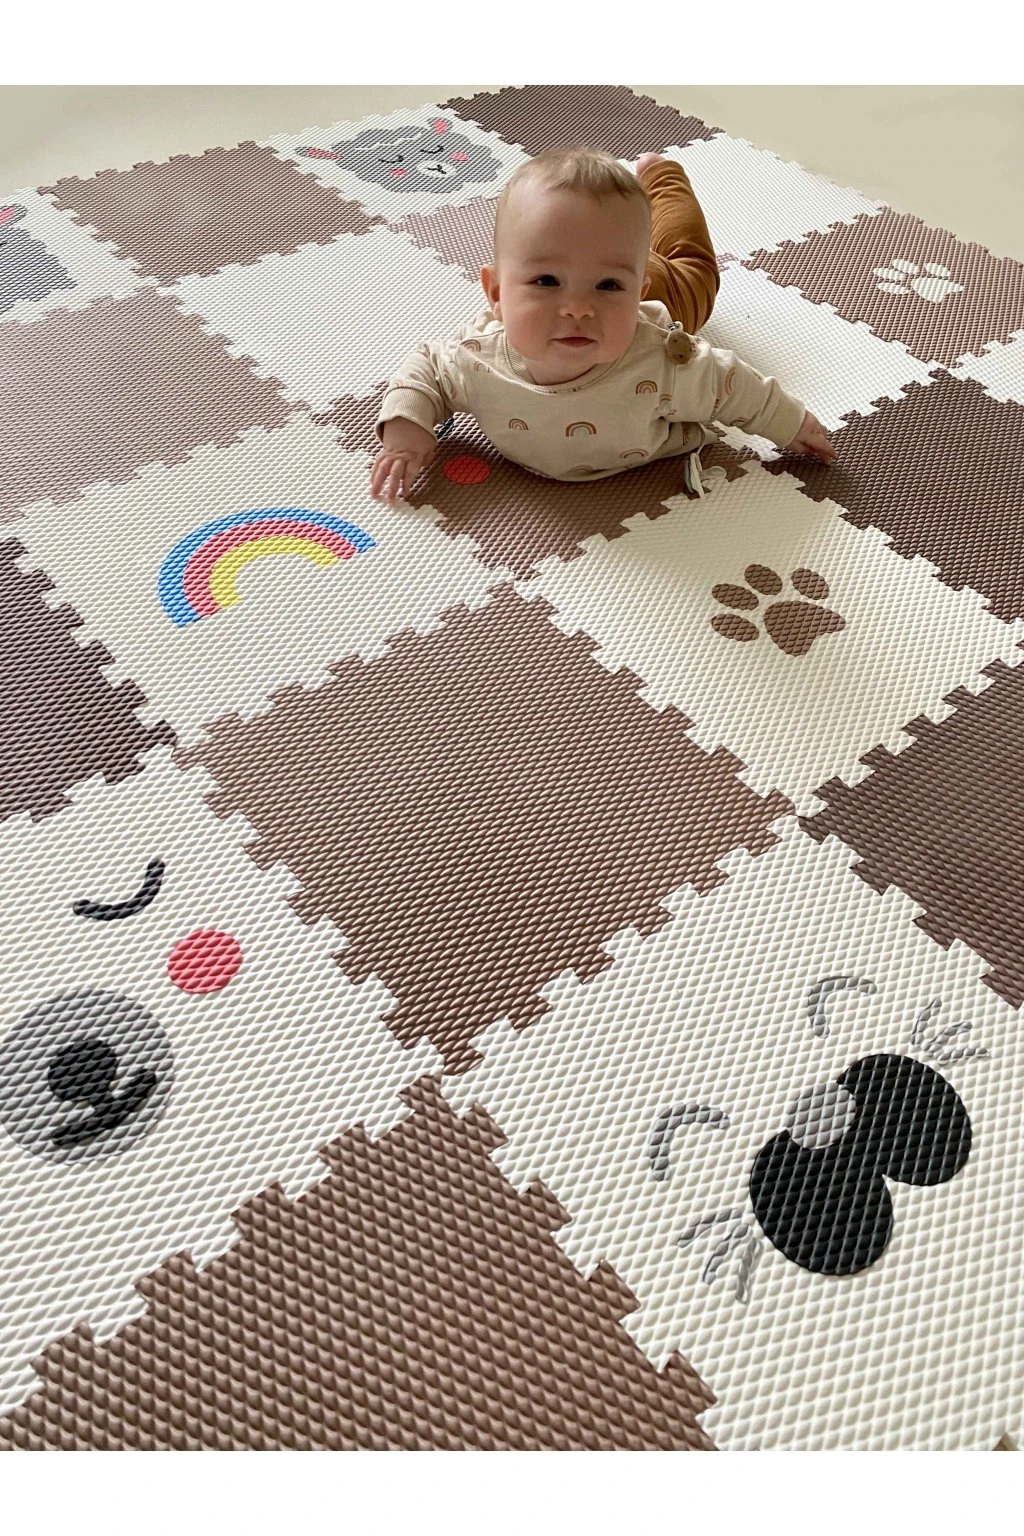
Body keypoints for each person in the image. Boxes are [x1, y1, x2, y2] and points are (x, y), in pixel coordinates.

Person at [370, 147, 836, 504]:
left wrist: (790, 423)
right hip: (628, 274)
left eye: (608, 286)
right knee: (612, 256)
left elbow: (732, 384)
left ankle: (662, 176)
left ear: (635, 293)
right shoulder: (477, 357)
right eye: (546, 281)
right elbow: (425, 371)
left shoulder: (664, 362)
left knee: (692, 263)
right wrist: (407, 428)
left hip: (667, 291)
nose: (578, 309)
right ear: (495, 294)